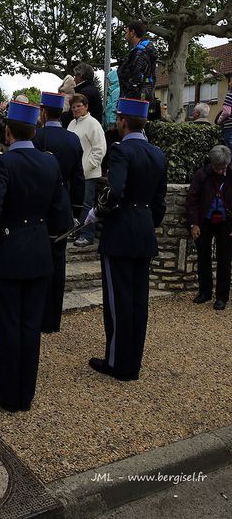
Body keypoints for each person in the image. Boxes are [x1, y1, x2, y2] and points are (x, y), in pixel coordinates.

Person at [0, 99, 66, 412]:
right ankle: (24, 394)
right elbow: (62, 215)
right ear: (35, 129)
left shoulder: (3, 163)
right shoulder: (49, 162)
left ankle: (5, 392)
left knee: (7, 326)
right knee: (30, 327)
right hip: (40, 253)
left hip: (10, 253)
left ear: (7, 130)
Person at [87, 98, 167, 381]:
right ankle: (132, 362)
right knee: (137, 301)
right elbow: (159, 203)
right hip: (144, 232)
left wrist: (97, 211)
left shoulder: (122, 151)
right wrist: (147, 223)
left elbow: (116, 190)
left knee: (118, 301)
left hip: (120, 233)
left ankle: (117, 363)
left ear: (122, 121)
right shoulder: (157, 153)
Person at [34, 91, 85, 332]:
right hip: (63, 203)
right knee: (58, 261)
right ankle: (53, 319)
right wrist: (75, 210)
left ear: (43, 111)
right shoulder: (72, 139)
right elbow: (79, 177)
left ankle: (37, 314)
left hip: (38, 204)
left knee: (37, 261)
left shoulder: (36, 135)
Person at [185, 144, 232, 311]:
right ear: (212, 163)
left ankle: (222, 297)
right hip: (205, 221)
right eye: (218, 167)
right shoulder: (202, 175)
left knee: (224, 260)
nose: (221, 171)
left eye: (224, 167)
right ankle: (204, 292)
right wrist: (194, 223)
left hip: (226, 222)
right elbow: (192, 200)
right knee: (203, 257)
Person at [67, 93, 107, 247]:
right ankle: (75, 231)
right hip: (73, 174)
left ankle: (87, 234)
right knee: (73, 203)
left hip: (87, 174)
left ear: (86, 107)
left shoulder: (93, 124)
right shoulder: (72, 124)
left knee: (86, 204)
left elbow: (100, 150)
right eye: (73, 107)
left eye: (79, 106)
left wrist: (85, 168)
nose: (76, 109)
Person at [117, 20, 157, 103]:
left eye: (126, 32)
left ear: (132, 33)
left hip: (134, 102)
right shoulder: (143, 51)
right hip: (141, 98)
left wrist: (127, 99)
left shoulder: (139, 54)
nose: (125, 36)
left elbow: (135, 79)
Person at [217, 79, 232, 152]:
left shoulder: (230, 95)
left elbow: (226, 112)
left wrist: (219, 121)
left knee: (229, 151)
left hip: (230, 127)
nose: (229, 83)